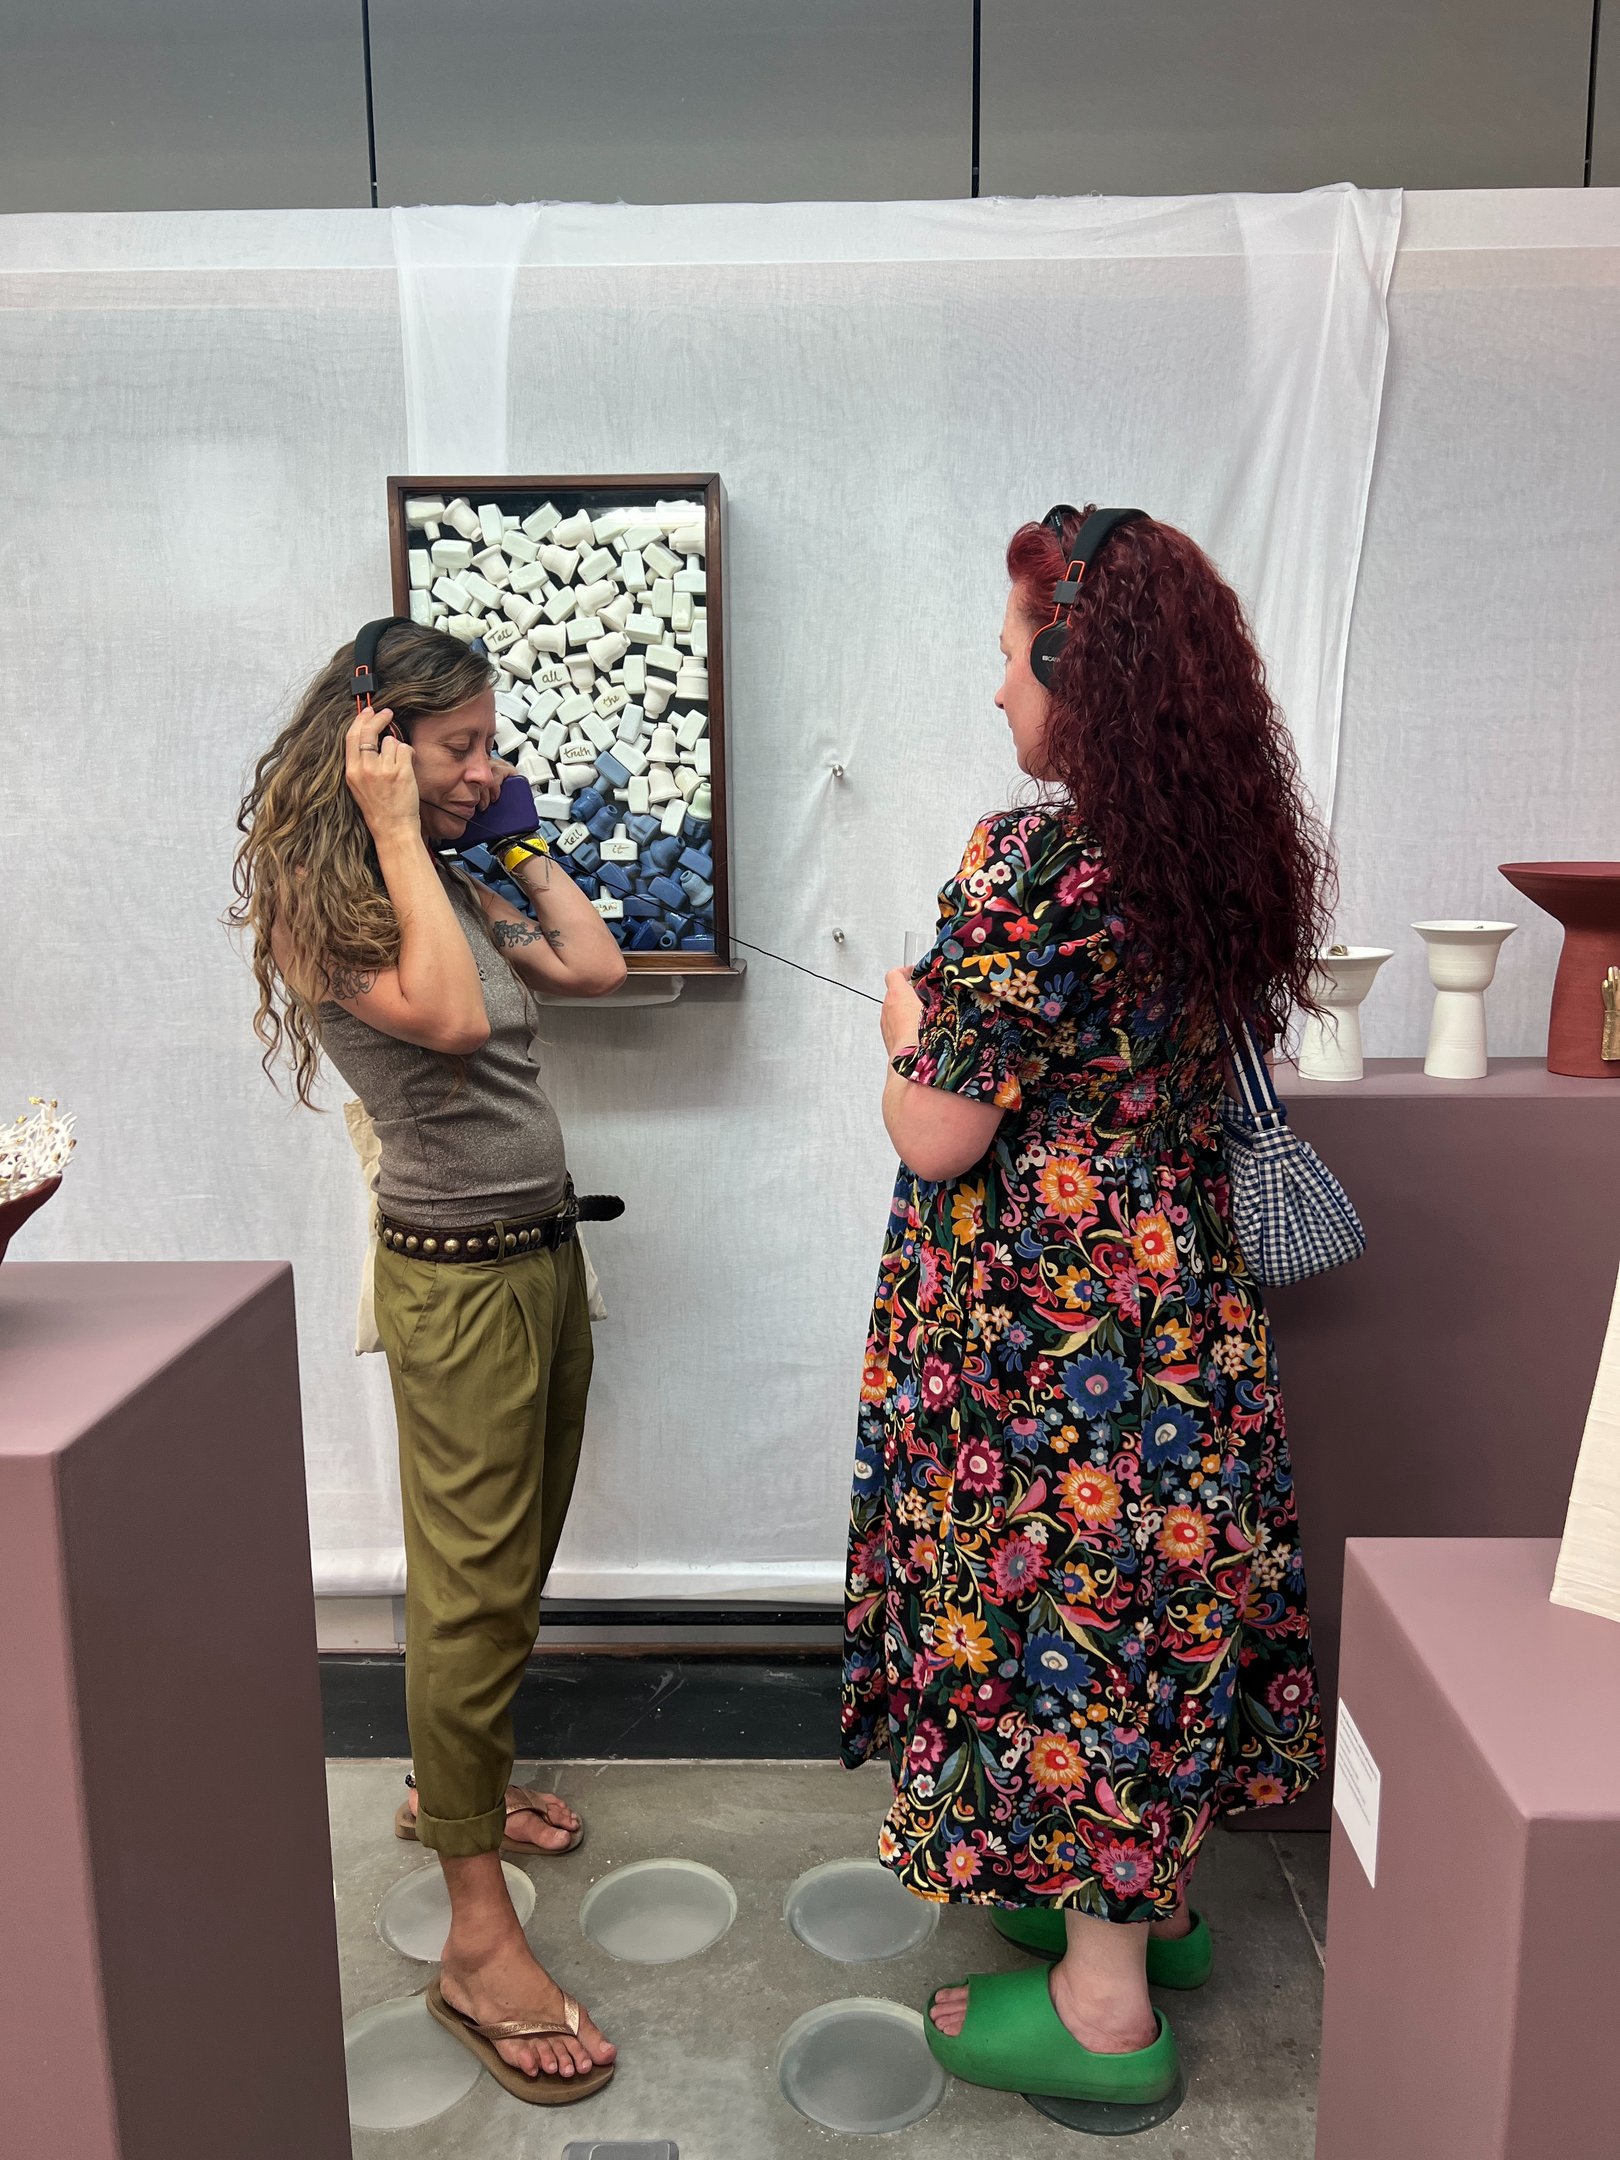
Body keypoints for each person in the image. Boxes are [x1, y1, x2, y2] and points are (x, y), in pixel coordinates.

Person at [841, 507, 1332, 2109]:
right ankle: (1153, 1911)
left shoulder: (1032, 863)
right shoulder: (1221, 858)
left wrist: (906, 1030)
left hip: (1046, 1346)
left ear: (1078, 668)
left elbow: (940, 1131)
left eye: (1010, 657)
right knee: (1158, 1601)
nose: (997, 690)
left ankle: (1106, 2011)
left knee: (1076, 1624)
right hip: (1177, 1316)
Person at [231, 620, 625, 2104]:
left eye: (489, 746)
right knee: (467, 1594)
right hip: (458, 1287)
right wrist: (404, 828)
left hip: (541, 1259)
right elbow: (453, 1021)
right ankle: (475, 1940)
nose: (485, 767)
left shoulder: (449, 878)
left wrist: (506, 842)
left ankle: (453, 1791)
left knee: (508, 1569)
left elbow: (590, 964)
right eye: (462, 746)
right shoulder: (321, 906)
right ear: (377, 748)